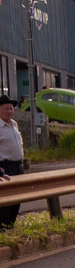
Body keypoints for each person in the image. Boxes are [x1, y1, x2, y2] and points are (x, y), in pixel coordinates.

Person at [0, 94, 26, 228]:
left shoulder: (14, 124)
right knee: (6, 200)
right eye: (6, 109)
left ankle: (11, 225)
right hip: (5, 167)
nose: (9, 111)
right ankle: (2, 226)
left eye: (11, 109)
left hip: (18, 166)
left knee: (17, 197)